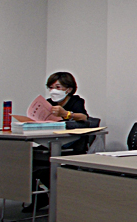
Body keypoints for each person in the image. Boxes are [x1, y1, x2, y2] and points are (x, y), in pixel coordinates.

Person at [24, 72, 89, 213]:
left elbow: (84, 117)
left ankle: (60, 198)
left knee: (41, 166)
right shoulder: (48, 103)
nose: (53, 90)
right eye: (51, 87)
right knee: (22, 161)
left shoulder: (76, 101)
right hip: (47, 141)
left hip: (67, 144)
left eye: (58, 87)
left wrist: (66, 114)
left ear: (68, 89)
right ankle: (39, 197)